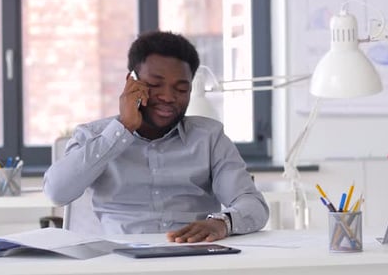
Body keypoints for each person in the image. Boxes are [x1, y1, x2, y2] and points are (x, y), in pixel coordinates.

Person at [44, 31, 269, 243]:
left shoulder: (210, 138)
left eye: (181, 89)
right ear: (131, 82)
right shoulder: (93, 136)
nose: (168, 97)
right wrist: (123, 127)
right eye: (154, 85)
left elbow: (253, 205)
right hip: (119, 261)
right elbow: (57, 192)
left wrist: (222, 223)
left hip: (193, 258)